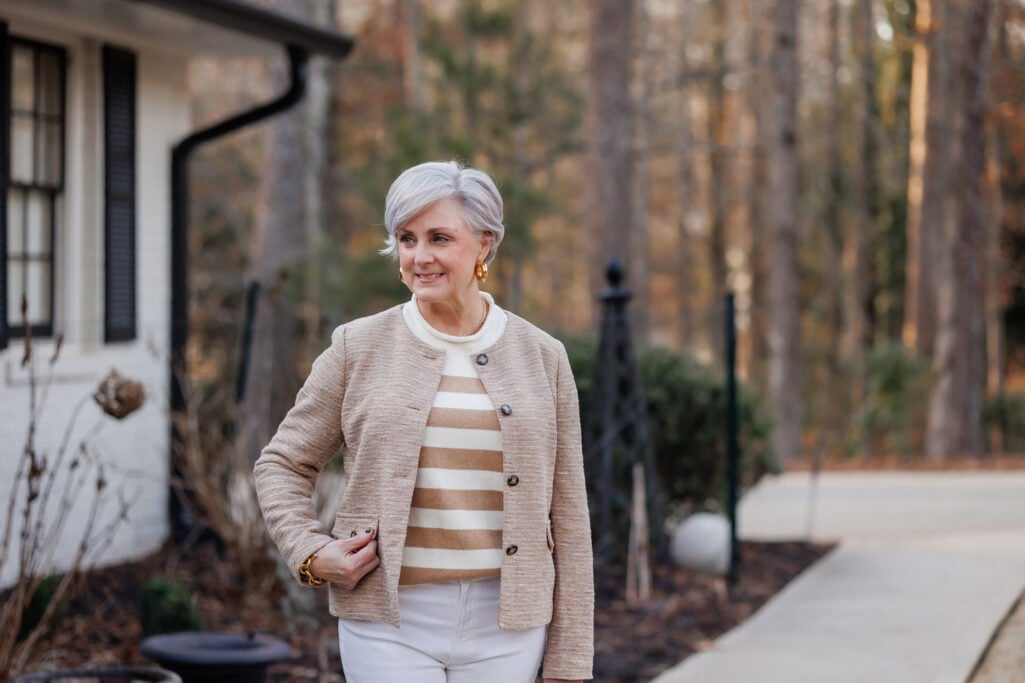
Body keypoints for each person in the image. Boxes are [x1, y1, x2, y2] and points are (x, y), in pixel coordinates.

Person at [254, 160, 594, 682]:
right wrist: (311, 553)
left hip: (509, 626)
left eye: (439, 238)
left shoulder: (542, 356)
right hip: (389, 624)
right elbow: (282, 463)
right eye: (406, 239)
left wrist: (570, 660)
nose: (419, 257)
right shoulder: (357, 346)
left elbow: (569, 514)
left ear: (483, 243)